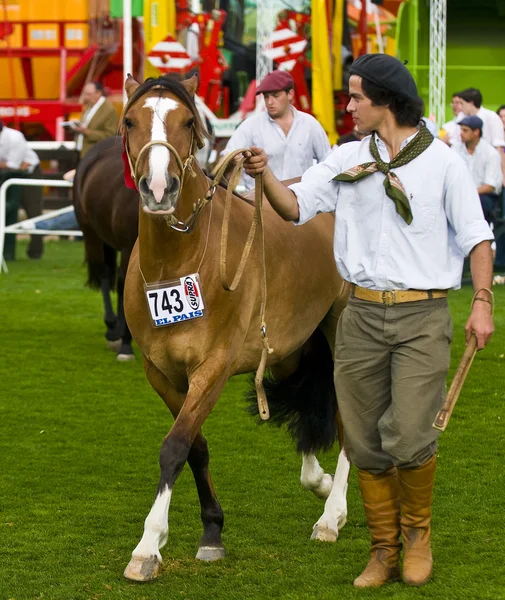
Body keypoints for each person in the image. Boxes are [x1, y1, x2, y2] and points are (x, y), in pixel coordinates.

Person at [242, 54, 495, 588]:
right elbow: (294, 207)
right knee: (360, 440)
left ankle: (416, 537)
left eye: (356, 96)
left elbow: (477, 236)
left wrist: (481, 301)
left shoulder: (443, 163)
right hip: (358, 315)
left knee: (408, 437)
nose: (349, 105)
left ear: (386, 101)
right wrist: (264, 178)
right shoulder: (344, 160)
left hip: (422, 315)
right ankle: (382, 550)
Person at [222, 70, 330, 191]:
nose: (269, 102)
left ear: (290, 94)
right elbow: (227, 156)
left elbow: (328, 163)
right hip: (259, 203)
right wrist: (233, 160)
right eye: (266, 96)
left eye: (275, 95)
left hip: (300, 202)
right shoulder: (250, 125)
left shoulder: (310, 124)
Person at [0, 119, 42, 260]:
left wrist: (6, 165)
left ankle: (35, 251)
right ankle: (5, 251)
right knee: (6, 211)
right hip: (7, 175)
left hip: (29, 174)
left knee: (33, 211)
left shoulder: (14, 137)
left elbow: (13, 164)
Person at [454, 115, 502, 223]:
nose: (461, 133)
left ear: (476, 132)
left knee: (478, 203)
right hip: (460, 193)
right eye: (461, 129)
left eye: (465, 130)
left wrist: (468, 193)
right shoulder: (455, 149)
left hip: (484, 196)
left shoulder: (490, 153)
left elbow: (490, 186)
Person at [69, 81, 118, 158]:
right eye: (84, 94)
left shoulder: (109, 110)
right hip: (82, 153)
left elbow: (110, 136)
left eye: (88, 94)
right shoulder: (89, 106)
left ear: (98, 93)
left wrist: (86, 132)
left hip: (96, 156)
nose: (85, 97)